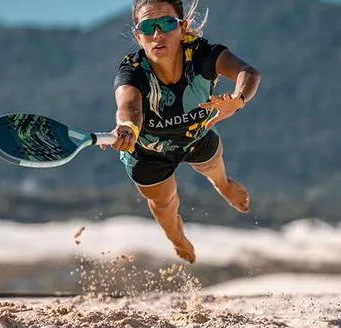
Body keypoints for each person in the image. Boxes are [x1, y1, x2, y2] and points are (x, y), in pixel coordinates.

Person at [107, 0, 260, 264]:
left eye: (167, 23)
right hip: (148, 152)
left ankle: (223, 185)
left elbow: (248, 73)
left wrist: (237, 99)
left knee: (214, 167)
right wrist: (127, 128)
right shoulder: (132, 71)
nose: (158, 34)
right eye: (148, 26)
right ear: (138, 34)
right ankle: (177, 237)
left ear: (182, 27)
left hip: (195, 137)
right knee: (164, 205)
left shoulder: (204, 55)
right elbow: (129, 105)